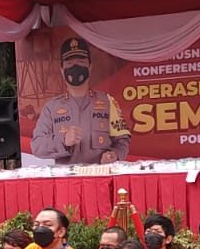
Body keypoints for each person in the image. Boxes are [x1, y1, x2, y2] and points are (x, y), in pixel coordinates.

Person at [30, 37, 130, 165]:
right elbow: (37, 145)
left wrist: (115, 154)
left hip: (100, 178)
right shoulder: (51, 108)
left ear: (90, 66)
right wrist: (63, 140)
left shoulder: (107, 102)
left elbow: (122, 140)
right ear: (62, 70)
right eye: (70, 63)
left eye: (81, 61)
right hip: (67, 181)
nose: (75, 66)